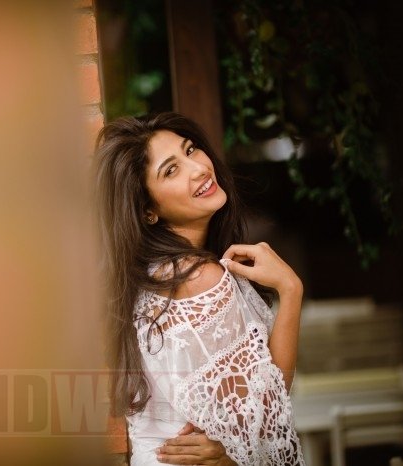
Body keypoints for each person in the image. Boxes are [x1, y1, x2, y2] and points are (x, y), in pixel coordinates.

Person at [94, 112, 305, 465]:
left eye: (190, 150)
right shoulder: (197, 277)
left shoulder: (148, 277)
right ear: (148, 211)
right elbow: (266, 412)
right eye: (171, 170)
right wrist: (291, 288)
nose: (198, 169)